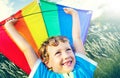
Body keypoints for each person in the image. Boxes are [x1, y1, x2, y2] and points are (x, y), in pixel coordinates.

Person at [4, 8, 97, 78]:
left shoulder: (82, 67)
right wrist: (9, 27)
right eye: (57, 53)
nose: (66, 55)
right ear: (47, 63)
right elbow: (27, 49)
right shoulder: (44, 75)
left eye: (68, 49)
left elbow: (77, 38)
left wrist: (75, 14)